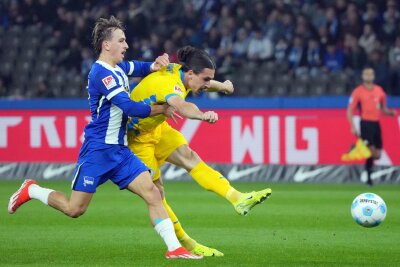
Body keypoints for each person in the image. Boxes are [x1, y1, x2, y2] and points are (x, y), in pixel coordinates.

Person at [8, 16, 202, 260]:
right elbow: (129, 107)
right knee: (74, 209)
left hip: (119, 152)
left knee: (153, 193)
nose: (126, 45)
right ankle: (32, 189)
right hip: (98, 151)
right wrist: (162, 109)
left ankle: (175, 248)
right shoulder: (101, 74)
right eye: (121, 41)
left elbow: (138, 67)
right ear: (106, 45)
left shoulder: (118, 67)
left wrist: (157, 65)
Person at [127, 46, 272, 256]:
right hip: (136, 138)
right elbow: (182, 105)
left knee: (190, 157)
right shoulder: (169, 84)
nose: (206, 84)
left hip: (156, 127)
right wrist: (202, 115)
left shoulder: (183, 72)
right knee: (156, 195)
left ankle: (238, 199)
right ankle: (187, 244)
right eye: (205, 79)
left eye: (209, 79)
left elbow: (205, 83)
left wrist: (223, 86)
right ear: (191, 73)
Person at [347, 67, 396, 186]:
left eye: (370, 74)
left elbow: (383, 108)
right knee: (371, 150)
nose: (368, 76)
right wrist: (352, 126)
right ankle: (369, 178)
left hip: (376, 123)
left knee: (377, 154)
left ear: (373, 76)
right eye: (366, 74)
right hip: (365, 123)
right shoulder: (358, 91)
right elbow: (350, 110)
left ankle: (357, 147)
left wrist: (390, 113)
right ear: (363, 77)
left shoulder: (379, 91)